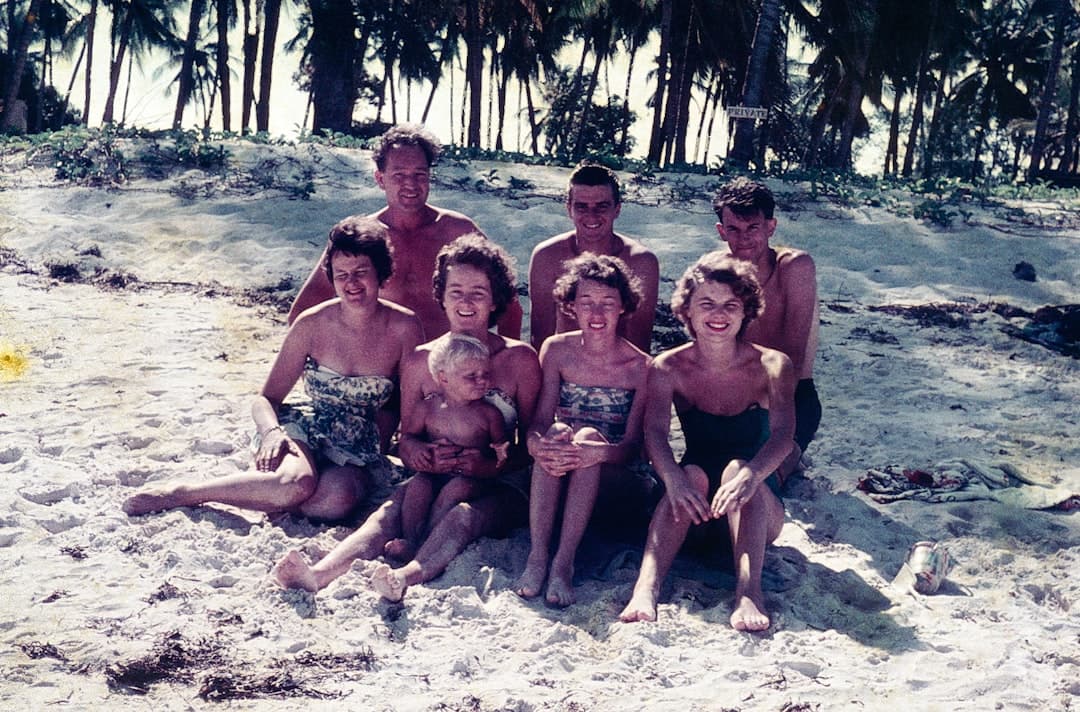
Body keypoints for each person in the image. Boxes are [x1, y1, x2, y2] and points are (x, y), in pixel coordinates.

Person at [273, 235, 541, 600]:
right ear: (441, 295)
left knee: (462, 514)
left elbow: (531, 443)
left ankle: (408, 575)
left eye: (478, 292)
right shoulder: (420, 361)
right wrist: (418, 455)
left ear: (496, 299)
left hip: (500, 487)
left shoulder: (520, 360)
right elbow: (406, 438)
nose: (466, 302)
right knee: (390, 510)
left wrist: (491, 464)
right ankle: (319, 574)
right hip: (433, 479)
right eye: (456, 291)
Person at [123, 217, 422, 521]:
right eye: (341, 274)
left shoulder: (405, 327)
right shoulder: (311, 324)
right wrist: (270, 433)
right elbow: (266, 398)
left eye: (361, 272)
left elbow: (410, 402)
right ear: (330, 278)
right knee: (294, 484)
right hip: (306, 426)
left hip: (358, 443)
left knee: (332, 502)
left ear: (381, 274)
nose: (351, 283)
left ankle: (267, 493)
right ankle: (186, 493)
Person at [619, 252, 796, 632]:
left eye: (731, 305)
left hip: (757, 506)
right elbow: (654, 434)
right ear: (687, 311)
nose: (719, 315)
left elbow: (784, 436)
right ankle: (646, 588)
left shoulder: (772, 365)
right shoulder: (667, 366)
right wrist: (672, 478)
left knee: (736, 470)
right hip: (693, 507)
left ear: (747, 310)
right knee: (692, 473)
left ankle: (749, 592)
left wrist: (753, 476)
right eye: (707, 304)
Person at [289, 123, 522, 340]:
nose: (410, 184)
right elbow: (304, 307)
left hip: (449, 369)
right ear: (380, 179)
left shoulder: (457, 231)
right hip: (383, 370)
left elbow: (510, 307)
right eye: (399, 175)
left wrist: (501, 361)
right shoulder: (363, 238)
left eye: (419, 175)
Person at [515, 255, 651, 606]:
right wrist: (535, 445)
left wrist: (600, 451)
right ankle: (539, 555)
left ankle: (564, 563)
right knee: (558, 432)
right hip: (562, 467)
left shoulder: (641, 367)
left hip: (615, 475)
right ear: (571, 305)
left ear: (623, 307)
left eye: (608, 303)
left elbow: (635, 446)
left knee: (587, 438)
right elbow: (540, 421)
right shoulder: (557, 350)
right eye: (586, 302)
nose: (597, 314)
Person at [712, 177, 820, 478]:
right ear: (721, 231)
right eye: (733, 229)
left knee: (758, 481)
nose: (743, 238)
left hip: (791, 396)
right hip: (729, 396)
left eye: (752, 228)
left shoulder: (794, 266)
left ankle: (789, 456)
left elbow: (793, 361)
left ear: (770, 227)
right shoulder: (713, 269)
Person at [388, 334, 509, 562]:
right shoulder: (427, 408)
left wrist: (489, 462)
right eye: (471, 376)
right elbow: (408, 437)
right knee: (418, 485)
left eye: (485, 374)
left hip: (471, 479)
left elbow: (502, 453)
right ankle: (410, 538)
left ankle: (428, 540)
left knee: (456, 489)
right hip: (433, 473)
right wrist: (418, 448)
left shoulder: (489, 414)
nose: (481, 381)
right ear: (443, 378)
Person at [528, 163, 659, 353]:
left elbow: (640, 343)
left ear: (617, 209)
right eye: (581, 207)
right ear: (569, 209)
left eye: (602, 206)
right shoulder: (547, 256)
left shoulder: (641, 261)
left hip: (621, 370)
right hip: (565, 366)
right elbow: (540, 337)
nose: (592, 215)